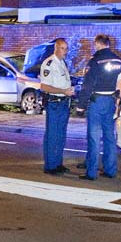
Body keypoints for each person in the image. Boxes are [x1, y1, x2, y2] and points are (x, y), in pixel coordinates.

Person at [76, 34, 121, 181]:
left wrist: (81, 106)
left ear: (97, 44)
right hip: (110, 101)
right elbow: (120, 82)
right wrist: (117, 103)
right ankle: (110, 170)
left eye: (95, 44)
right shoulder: (118, 61)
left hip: (97, 101)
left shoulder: (95, 60)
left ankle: (91, 172)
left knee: (94, 137)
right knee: (110, 137)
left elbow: (87, 85)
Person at [39, 38, 75, 175]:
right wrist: (63, 91)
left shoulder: (61, 63)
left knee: (61, 135)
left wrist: (68, 90)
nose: (65, 51)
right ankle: (50, 166)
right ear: (56, 48)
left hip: (64, 102)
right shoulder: (49, 63)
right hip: (54, 102)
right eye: (62, 48)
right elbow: (44, 86)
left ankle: (58, 163)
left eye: (66, 48)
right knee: (52, 135)